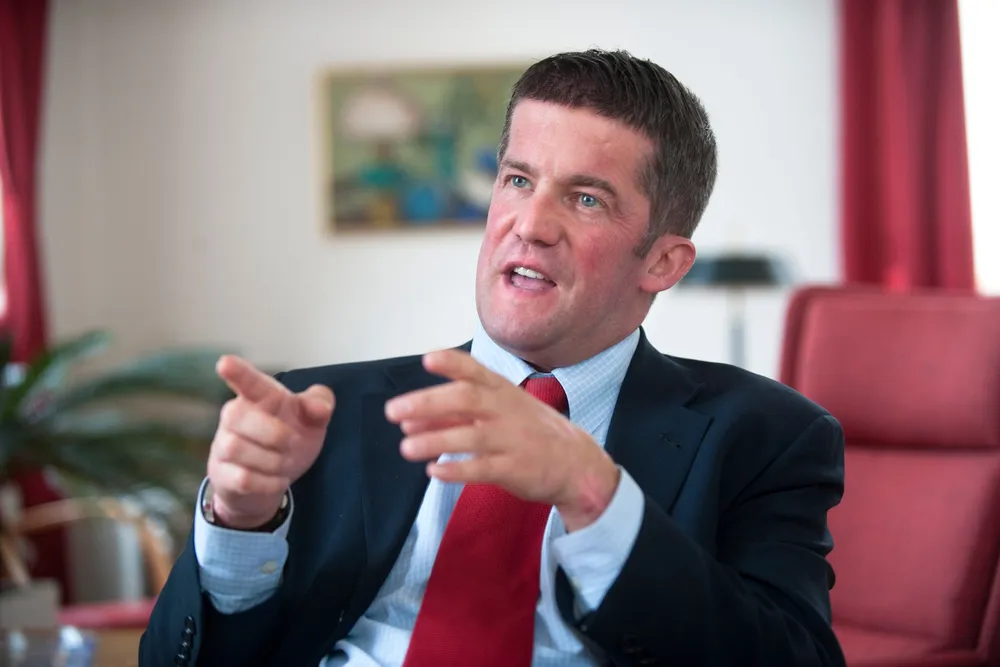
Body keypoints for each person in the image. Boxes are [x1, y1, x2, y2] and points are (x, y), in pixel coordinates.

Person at [140, 49, 846, 667]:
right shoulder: (320, 413)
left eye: (586, 198)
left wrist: (594, 496)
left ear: (662, 261)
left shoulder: (766, 437)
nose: (530, 225)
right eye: (517, 180)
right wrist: (240, 519)